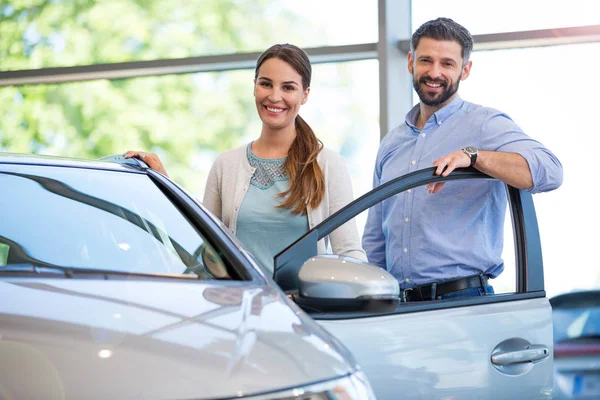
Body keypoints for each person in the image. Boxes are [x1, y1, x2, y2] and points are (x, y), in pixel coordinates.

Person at [362, 17, 563, 302]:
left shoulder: (484, 124)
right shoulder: (392, 143)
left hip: (464, 301)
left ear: (465, 69)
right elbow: (375, 236)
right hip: (398, 306)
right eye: (426, 61)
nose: (434, 72)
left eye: (447, 63)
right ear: (410, 62)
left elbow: (550, 171)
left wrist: (474, 156)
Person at [126, 43, 365, 274]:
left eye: (288, 87)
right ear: (254, 87)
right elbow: (204, 247)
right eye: (266, 84)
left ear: (305, 95)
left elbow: (349, 251)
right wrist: (165, 183)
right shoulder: (225, 165)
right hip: (242, 309)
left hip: (305, 313)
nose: (274, 96)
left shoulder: (327, 165)